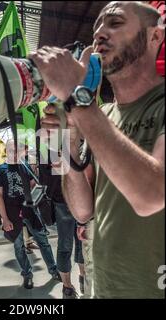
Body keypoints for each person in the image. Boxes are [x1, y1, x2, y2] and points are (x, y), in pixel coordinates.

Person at [31, 1, 165, 298]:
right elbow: (82, 211)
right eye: (97, 27)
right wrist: (70, 138)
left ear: (155, 37)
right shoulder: (101, 117)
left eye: (115, 23)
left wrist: (78, 102)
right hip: (105, 287)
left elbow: (152, 195)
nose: (100, 34)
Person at [0, 139, 60, 289]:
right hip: (11, 213)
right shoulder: (0, 170)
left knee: (43, 241)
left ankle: (54, 269)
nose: (15, 152)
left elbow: (33, 184)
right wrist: (4, 219)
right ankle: (27, 274)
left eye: (17, 149)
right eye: (11, 149)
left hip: (29, 210)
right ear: (7, 150)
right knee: (19, 246)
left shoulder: (25, 167)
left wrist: (37, 179)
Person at [39, 155, 84, 299]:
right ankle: (68, 287)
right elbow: (46, 176)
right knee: (66, 244)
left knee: (82, 241)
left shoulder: (75, 139)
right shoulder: (50, 142)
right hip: (62, 200)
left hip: (80, 198)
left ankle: (83, 278)